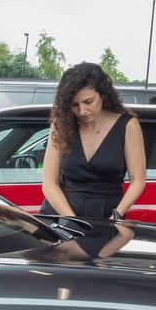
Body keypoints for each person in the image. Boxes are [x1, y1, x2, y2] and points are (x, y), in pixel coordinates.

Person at [40, 62, 146, 223]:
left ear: (102, 95)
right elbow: (49, 183)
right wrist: (71, 220)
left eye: (88, 102)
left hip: (107, 216)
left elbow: (137, 180)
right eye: (74, 105)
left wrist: (116, 217)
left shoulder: (128, 125)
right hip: (61, 214)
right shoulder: (60, 125)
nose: (82, 111)